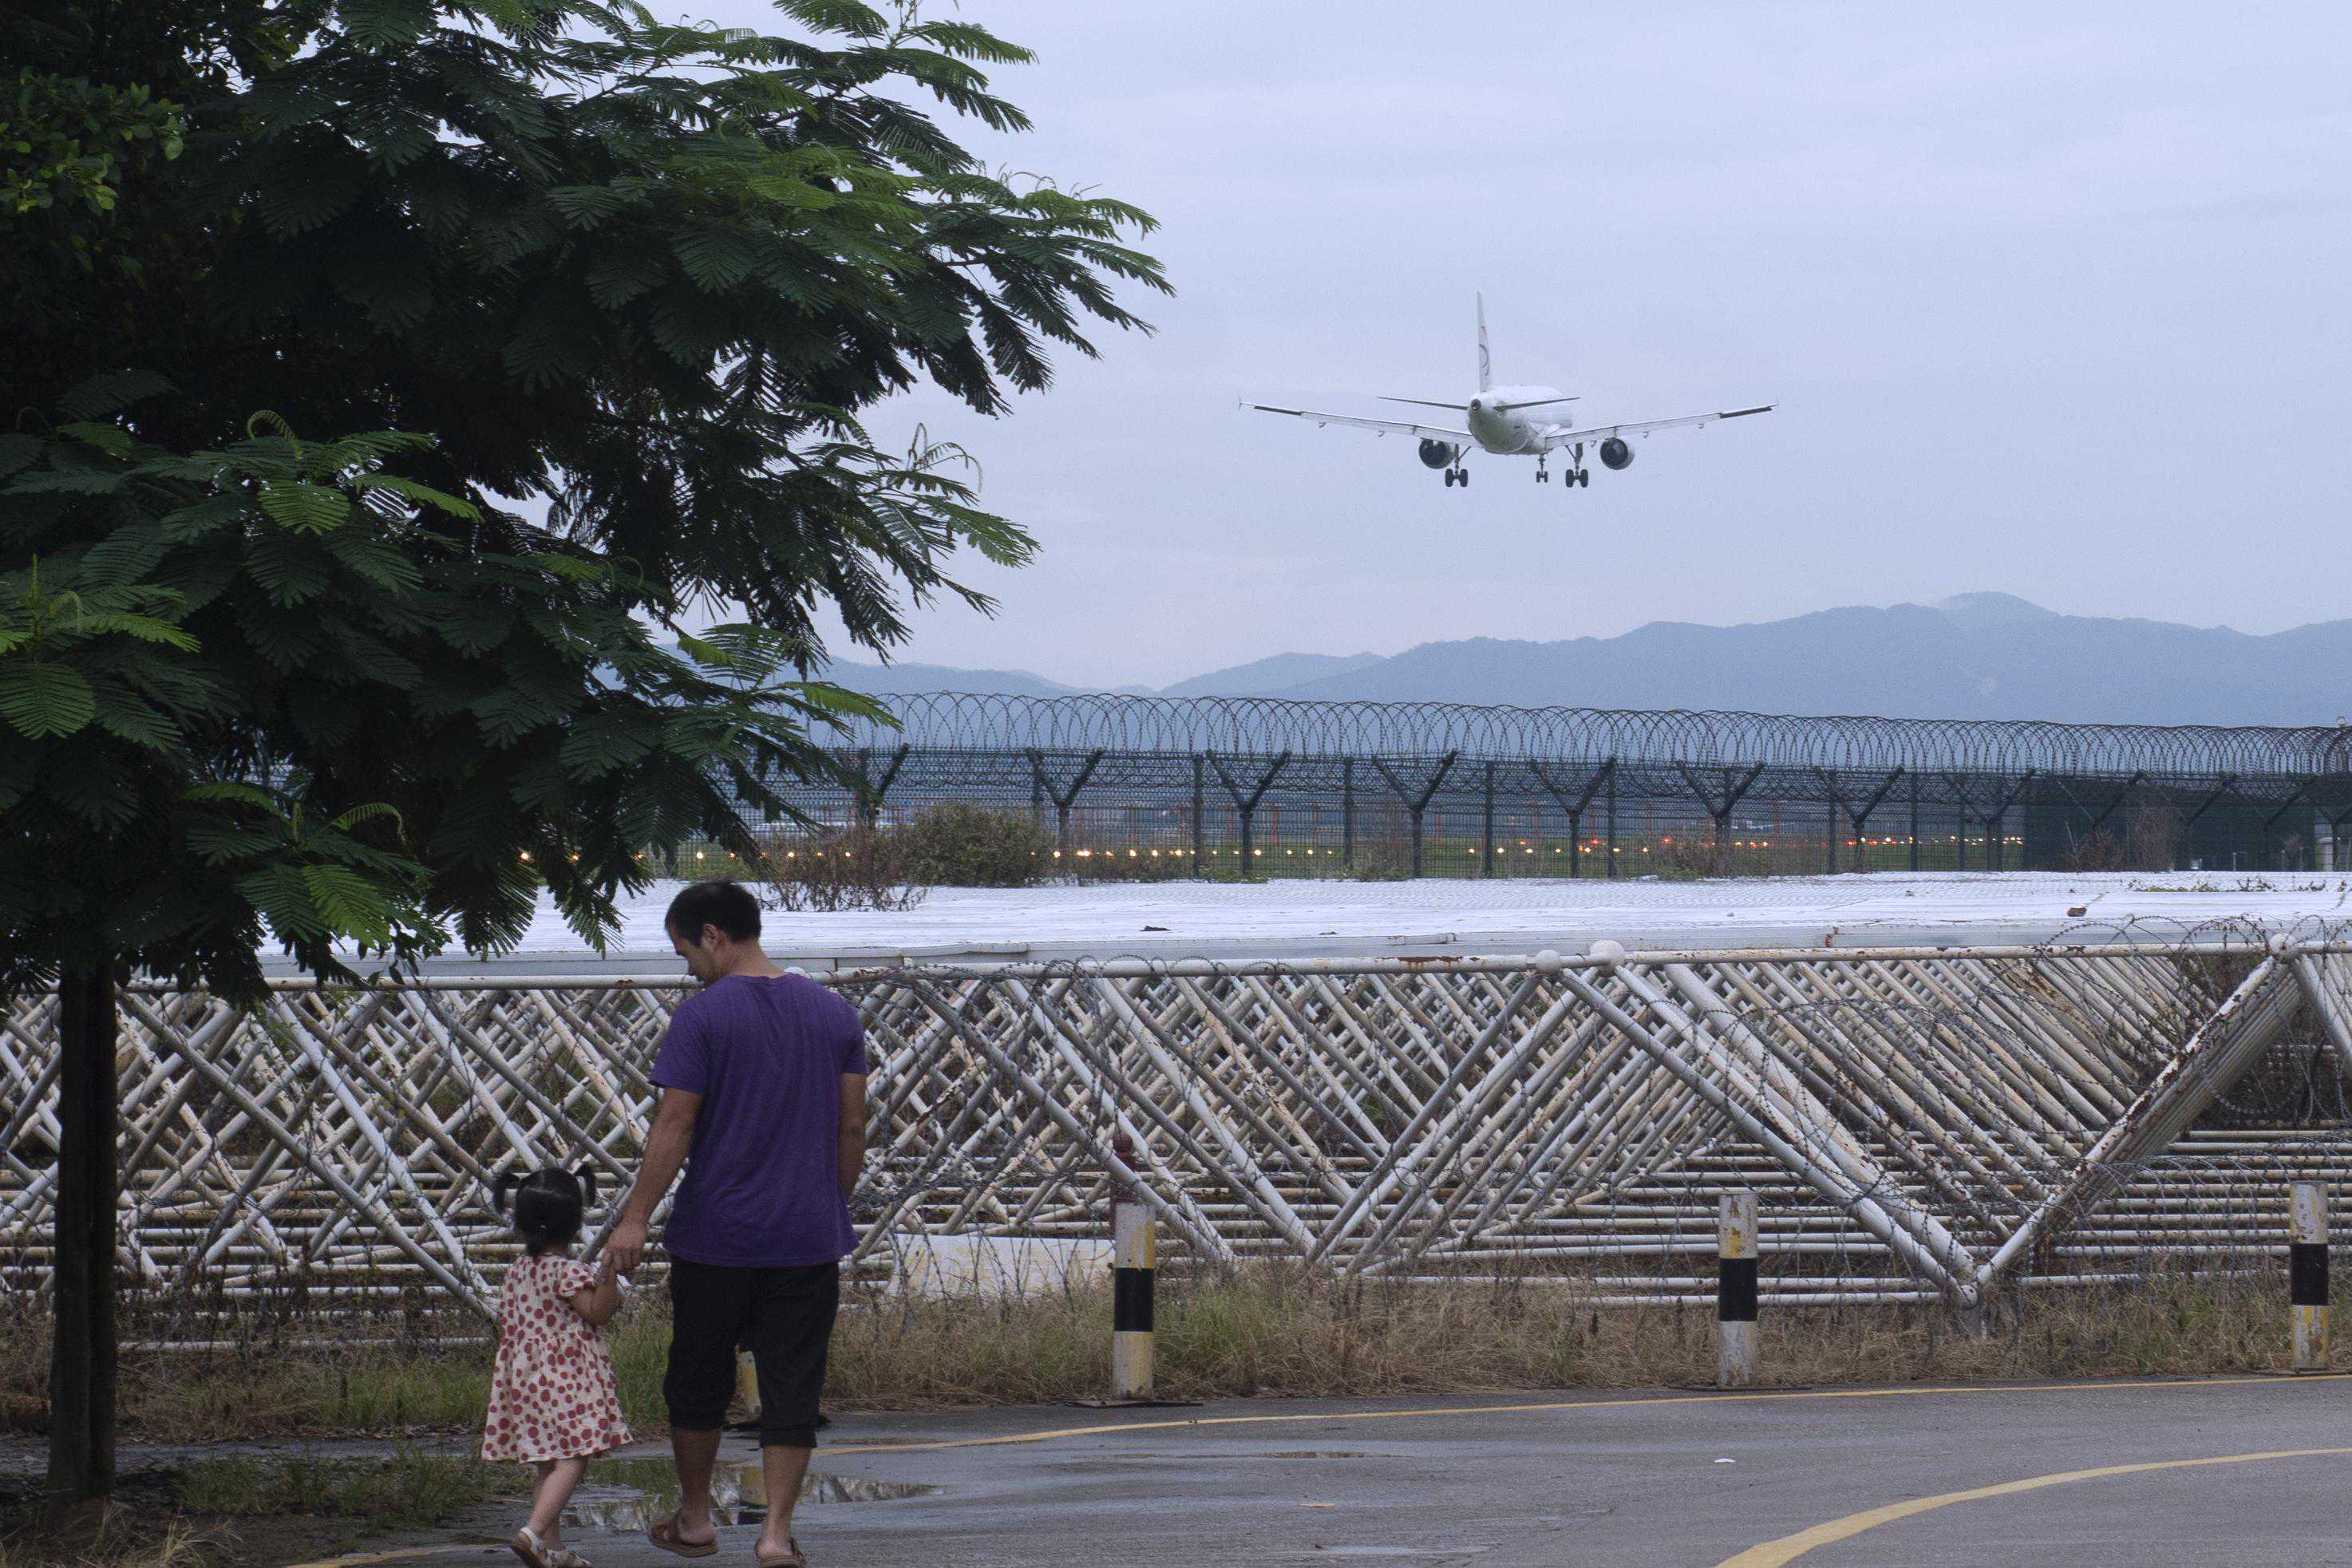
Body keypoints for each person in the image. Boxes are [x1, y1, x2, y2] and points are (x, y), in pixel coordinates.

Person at [608, 879, 868, 1568]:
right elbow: (852, 1124)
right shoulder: (834, 1012)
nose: (686, 965)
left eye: (684, 950)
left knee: (697, 1380)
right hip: (807, 1238)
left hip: (716, 1235)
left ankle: (695, 1518)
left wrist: (634, 1217)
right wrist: (829, 1202)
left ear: (714, 936)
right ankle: (776, 1534)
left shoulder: (703, 1017)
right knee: (793, 1385)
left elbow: (676, 1122)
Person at [481, 1166, 634, 1568]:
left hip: (525, 1382)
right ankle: (532, 1533)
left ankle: (555, 1550)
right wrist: (608, 1276)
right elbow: (598, 1314)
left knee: (547, 1463)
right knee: (577, 1455)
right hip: (565, 1379)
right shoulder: (567, 1272)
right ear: (575, 1221)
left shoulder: (516, 1272)